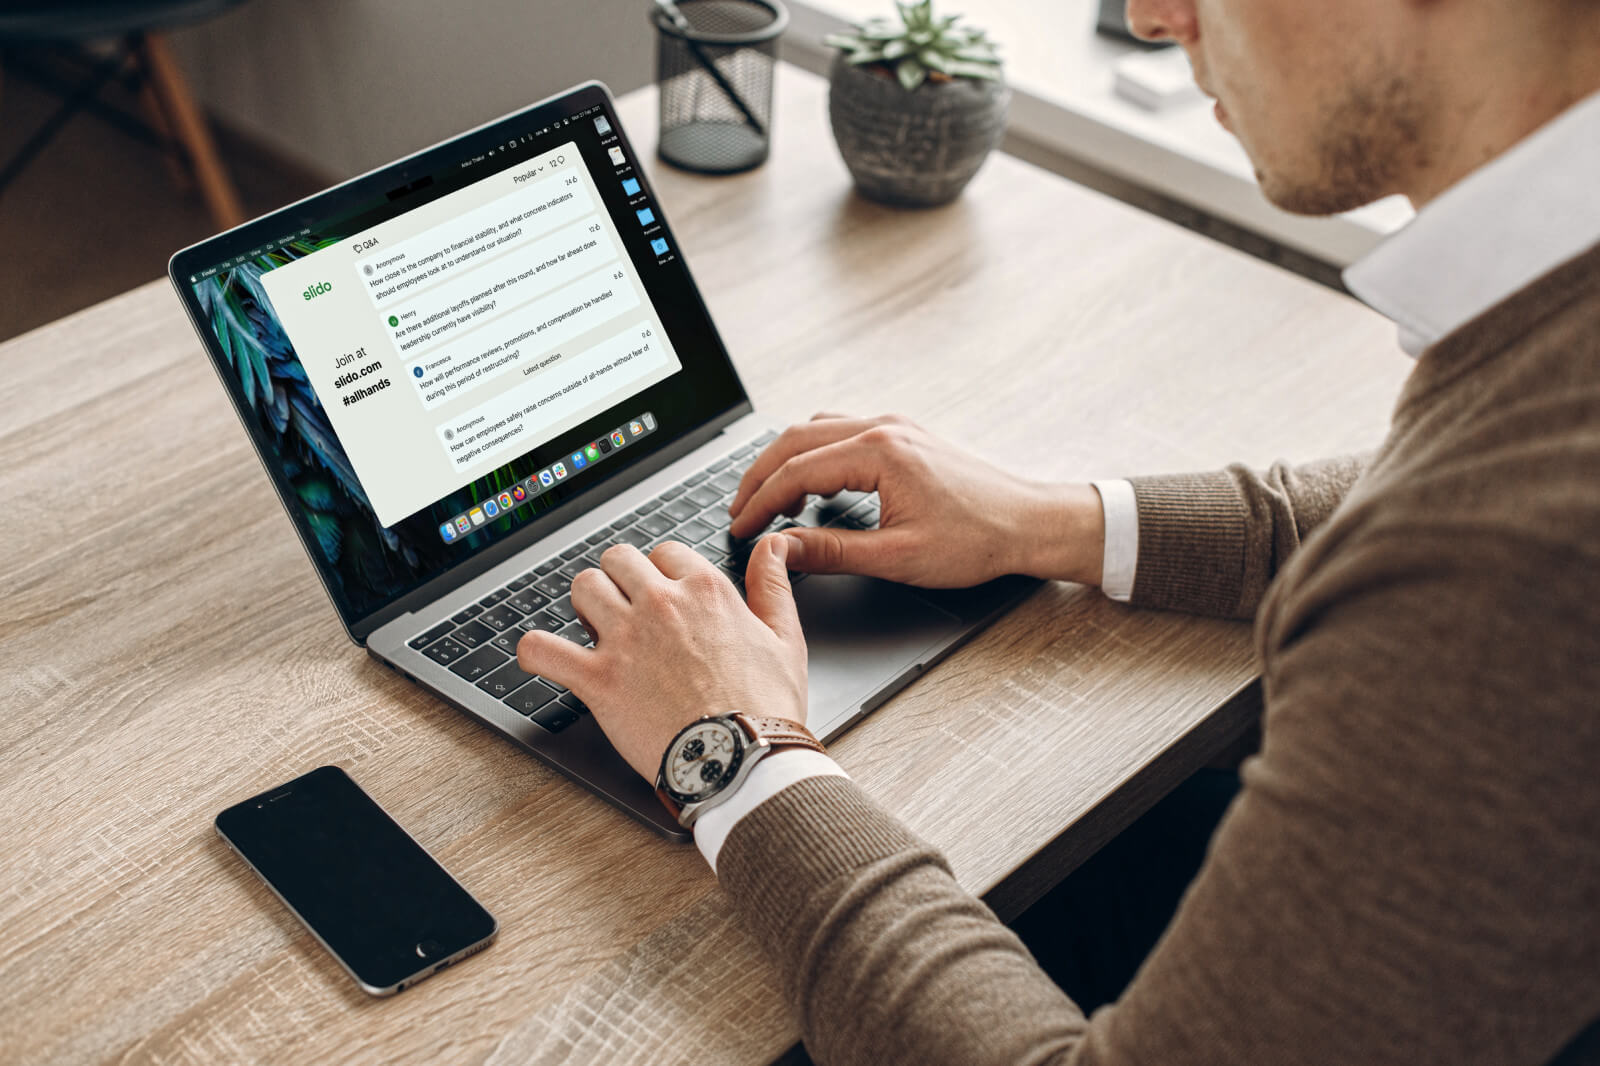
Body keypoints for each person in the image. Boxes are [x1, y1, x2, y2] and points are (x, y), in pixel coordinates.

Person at [518, 0, 1600, 1060]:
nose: (1149, 14)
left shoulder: (1511, 566)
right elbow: (1414, 494)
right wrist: (1057, 522)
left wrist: (735, 753)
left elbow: (1464, 541)